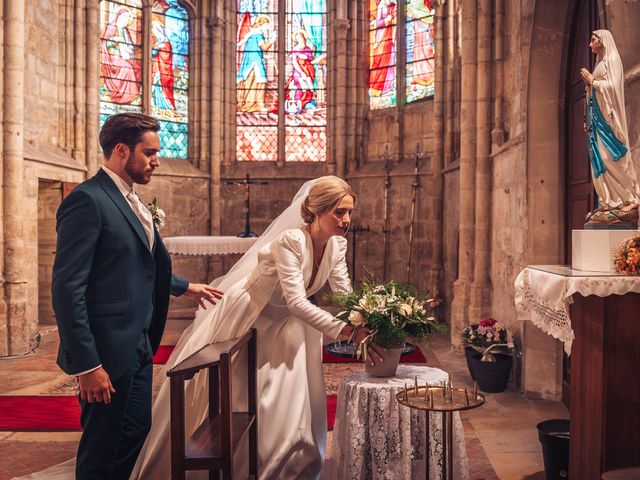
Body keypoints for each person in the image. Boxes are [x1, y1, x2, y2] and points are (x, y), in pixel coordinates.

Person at [131, 176, 382, 479]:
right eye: (339, 212)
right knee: (246, 392)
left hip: (290, 324)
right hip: (252, 317)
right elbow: (297, 303)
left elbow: (345, 296)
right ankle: (245, 465)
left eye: (349, 212)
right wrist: (349, 332)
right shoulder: (291, 241)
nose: (346, 220)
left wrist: (372, 319)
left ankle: (288, 464)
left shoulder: (336, 246)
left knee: (292, 395)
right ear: (317, 210)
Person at [51, 112, 223, 479]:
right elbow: (67, 289)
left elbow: (136, 265)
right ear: (120, 150)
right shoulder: (88, 201)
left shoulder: (130, 199)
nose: (157, 160)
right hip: (106, 353)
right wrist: (88, 366)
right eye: (150, 153)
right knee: (102, 448)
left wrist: (184, 287)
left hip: (139, 342)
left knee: (133, 435)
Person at [580, 30, 640, 222]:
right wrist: (586, 117)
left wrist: (593, 82)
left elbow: (613, 86)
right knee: (598, 159)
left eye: (593, 40)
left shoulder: (612, 59)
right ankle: (610, 201)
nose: (590, 45)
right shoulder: (599, 63)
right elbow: (592, 94)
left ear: (603, 39)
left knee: (609, 157)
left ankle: (629, 198)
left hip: (608, 119)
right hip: (596, 119)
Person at [100, 7, 142, 105]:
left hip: (124, 56)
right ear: (120, 17)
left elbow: (129, 45)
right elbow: (106, 44)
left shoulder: (125, 30)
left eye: (128, 18)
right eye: (125, 17)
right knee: (128, 68)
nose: (127, 20)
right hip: (113, 57)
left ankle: (136, 94)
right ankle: (129, 97)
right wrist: (116, 40)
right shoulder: (112, 27)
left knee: (138, 68)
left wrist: (129, 48)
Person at [236, 14, 276, 112]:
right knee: (257, 83)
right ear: (262, 24)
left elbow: (255, 49)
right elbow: (264, 47)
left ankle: (251, 104)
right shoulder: (258, 35)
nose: (267, 28)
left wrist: (265, 56)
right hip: (255, 63)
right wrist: (272, 40)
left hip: (250, 61)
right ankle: (255, 105)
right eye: (267, 25)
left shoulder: (252, 35)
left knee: (251, 82)